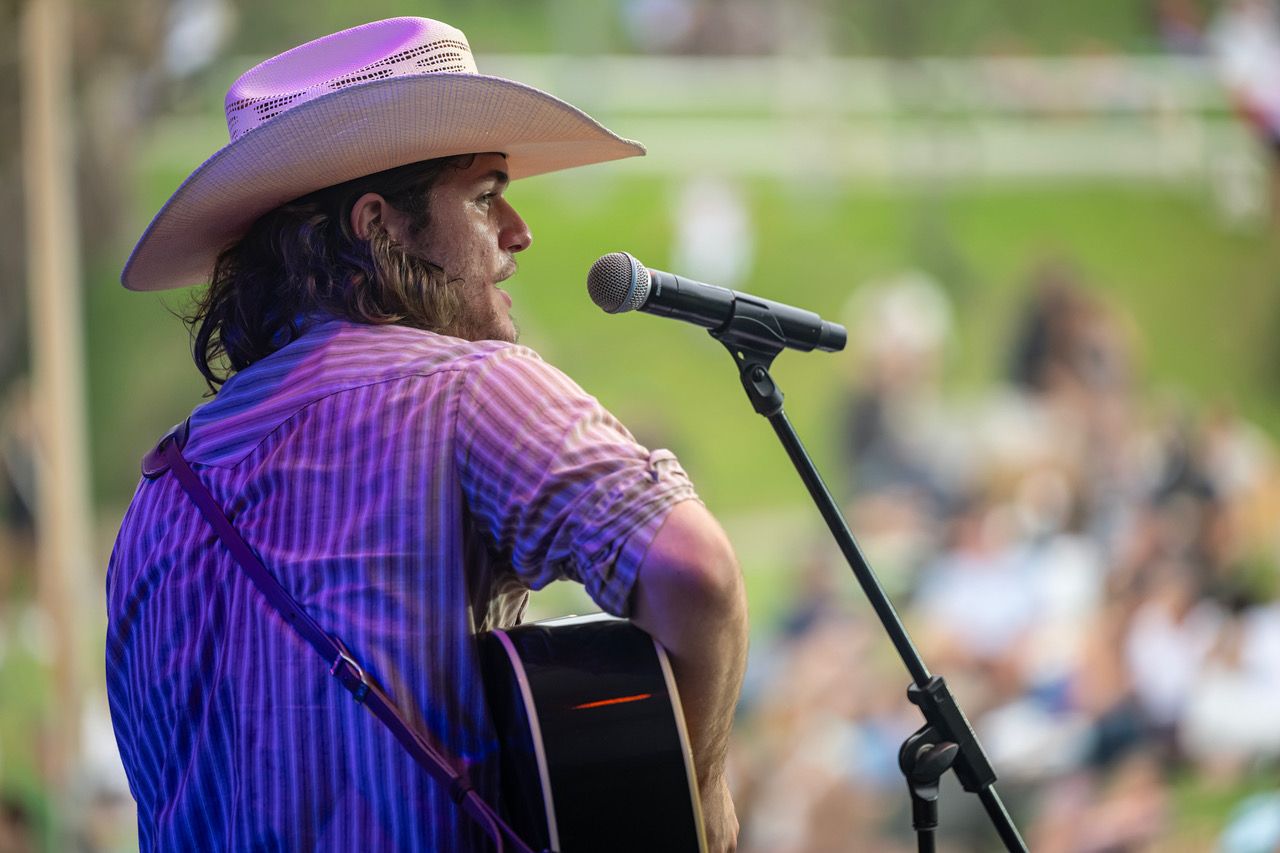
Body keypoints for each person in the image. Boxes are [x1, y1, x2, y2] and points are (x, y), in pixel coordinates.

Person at [104, 17, 746, 852]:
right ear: (380, 225)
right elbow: (694, 570)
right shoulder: (468, 389)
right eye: (483, 197)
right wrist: (703, 790)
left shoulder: (156, 498)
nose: (518, 231)